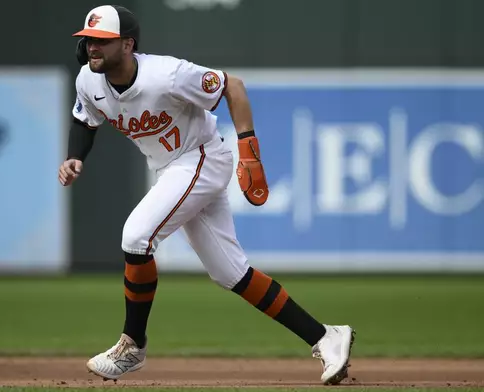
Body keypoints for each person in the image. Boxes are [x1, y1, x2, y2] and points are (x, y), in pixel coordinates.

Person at [59, 4, 355, 386]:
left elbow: (233, 86)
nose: (91, 46)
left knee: (135, 236)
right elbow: (85, 120)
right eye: (88, 39)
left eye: (102, 40)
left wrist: (248, 145)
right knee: (231, 273)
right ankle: (326, 336)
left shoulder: (166, 75)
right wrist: (74, 156)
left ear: (128, 44)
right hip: (171, 168)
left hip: (201, 157)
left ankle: (132, 345)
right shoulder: (88, 80)